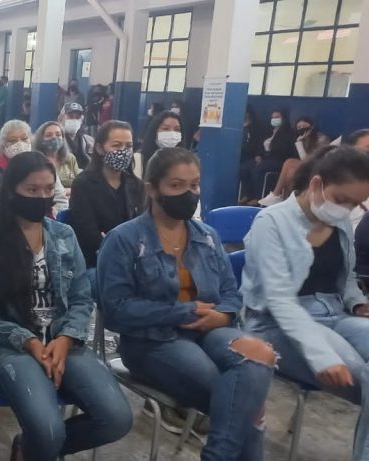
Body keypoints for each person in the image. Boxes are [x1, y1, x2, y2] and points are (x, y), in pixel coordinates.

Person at [99, 147, 276, 459]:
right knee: (242, 396)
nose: (189, 193)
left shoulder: (207, 236)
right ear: (152, 189)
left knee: (259, 355)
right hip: (151, 339)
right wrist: (183, 311)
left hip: (209, 330)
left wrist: (223, 316)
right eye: (176, 186)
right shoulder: (124, 239)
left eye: (194, 185)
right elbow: (116, 310)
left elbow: (231, 292)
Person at [0, 151, 133, 461]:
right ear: (10, 191)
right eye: (32, 190)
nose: (42, 197)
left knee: (117, 418)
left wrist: (67, 337)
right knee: (48, 429)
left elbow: (82, 297)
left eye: (48, 189)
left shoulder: (63, 236)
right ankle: (42, 446)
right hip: (8, 346)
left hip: (63, 341)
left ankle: (31, 450)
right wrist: (28, 340)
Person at [68, 120, 144, 272]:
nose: (123, 151)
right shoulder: (83, 184)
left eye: (128, 146)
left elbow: (143, 225)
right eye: (116, 145)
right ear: (99, 148)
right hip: (96, 260)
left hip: (134, 258)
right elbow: (87, 233)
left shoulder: (136, 185)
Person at [0, 119, 70, 223]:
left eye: (24, 139)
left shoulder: (43, 164)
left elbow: (61, 199)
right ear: (3, 145)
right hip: (3, 226)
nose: (19, 144)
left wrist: (48, 222)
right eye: (13, 140)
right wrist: (15, 223)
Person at [259, 116, 333, 207]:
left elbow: (308, 161)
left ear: (312, 126)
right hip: (306, 169)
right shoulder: (303, 138)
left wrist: (299, 143)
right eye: (299, 128)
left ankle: (276, 195)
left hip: (318, 169)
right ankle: (287, 202)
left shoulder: (321, 139)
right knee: (290, 172)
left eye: (304, 126)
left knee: (289, 162)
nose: (302, 129)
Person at [240, 108, 298, 205]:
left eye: (277, 117)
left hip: (278, 160)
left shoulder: (288, 133)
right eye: (273, 117)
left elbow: (285, 150)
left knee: (258, 170)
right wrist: (259, 155)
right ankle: (247, 194)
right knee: (244, 168)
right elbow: (260, 144)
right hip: (265, 157)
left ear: (283, 118)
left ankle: (258, 197)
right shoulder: (268, 131)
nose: (274, 119)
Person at [33, 121, 78, 187]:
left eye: (58, 135)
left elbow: (79, 184)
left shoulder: (70, 158)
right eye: (49, 135)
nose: (54, 138)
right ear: (41, 140)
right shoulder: (34, 161)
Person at [139, 111, 184, 176]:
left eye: (177, 129)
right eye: (166, 128)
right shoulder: (139, 160)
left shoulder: (185, 161)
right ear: (155, 131)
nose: (172, 133)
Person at [59, 102, 93, 169]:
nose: (74, 120)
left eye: (77, 117)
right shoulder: (56, 138)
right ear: (61, 118)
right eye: (70, 116)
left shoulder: (88, 140)